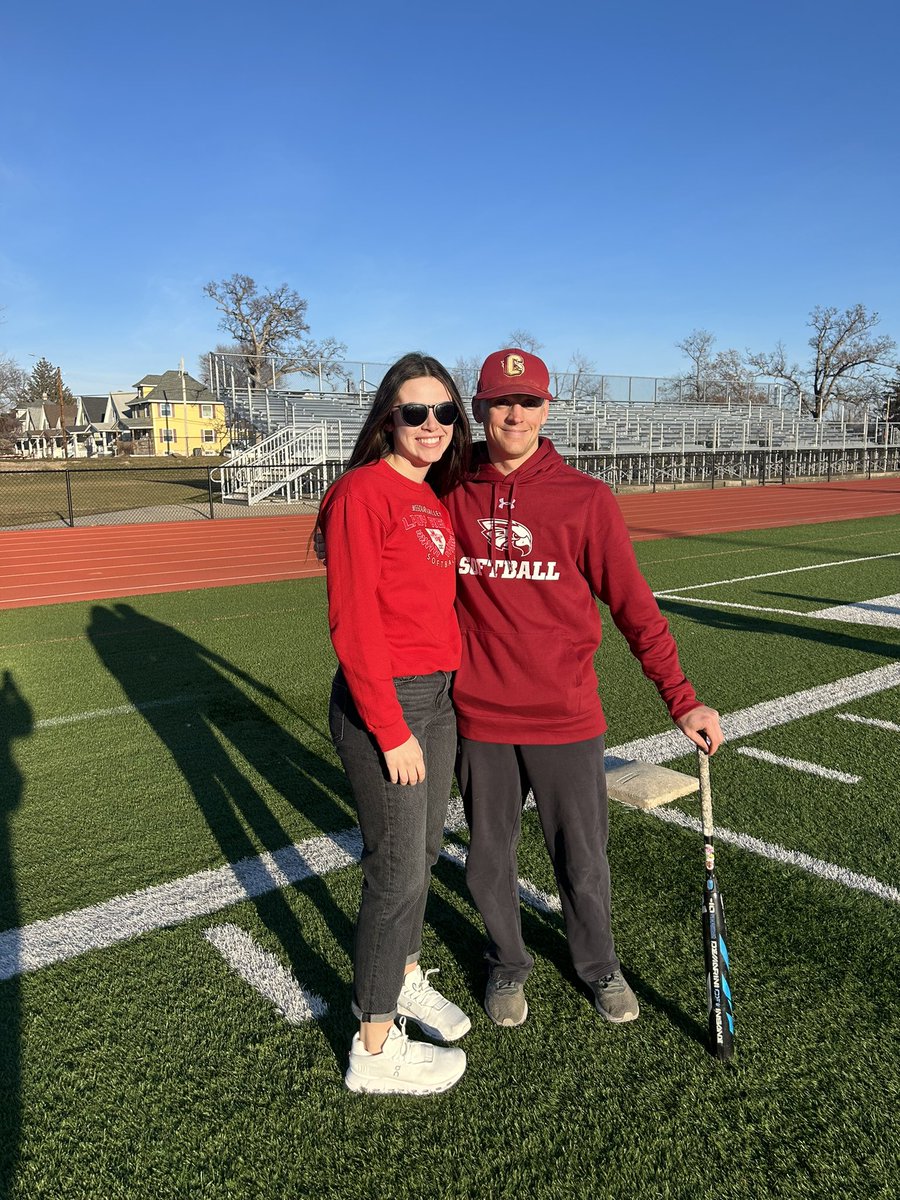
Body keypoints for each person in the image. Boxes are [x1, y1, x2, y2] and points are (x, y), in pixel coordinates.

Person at [444, 348, 724, 1028]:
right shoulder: (449, 491)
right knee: (487, 861)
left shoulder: (586, 499)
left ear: (548, 408)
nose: (514, 413)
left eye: (528, 401)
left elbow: (634, 607)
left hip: (566, 717)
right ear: (478, 409)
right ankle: (507, 964)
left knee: (583, 861)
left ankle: (599, 966)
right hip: (479, 717)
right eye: (500, 402)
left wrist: (681, 697)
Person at [316, 352, 473, 1095]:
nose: (432, 425)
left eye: (444, 412)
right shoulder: (362, 493)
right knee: (396, 874)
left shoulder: (431, 496)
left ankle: (403, 976)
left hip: (436, 699)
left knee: (425, 852)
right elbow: (352, 623)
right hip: (392, 703)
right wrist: (389, 726)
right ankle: (374, 1049)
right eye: (416, 412)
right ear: (387, 416)